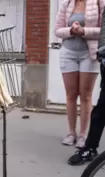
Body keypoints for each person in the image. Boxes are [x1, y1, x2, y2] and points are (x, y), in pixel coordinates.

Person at [55, 0, 104, 148]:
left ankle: (83, 135)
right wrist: (71, 30)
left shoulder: (99, 3)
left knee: (86, 95)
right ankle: (71, 133)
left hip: (89, 54)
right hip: (68, 53)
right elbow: (57, 30)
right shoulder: (67, 3)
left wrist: (84, 31)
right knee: (70, 95)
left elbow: (103, 31)